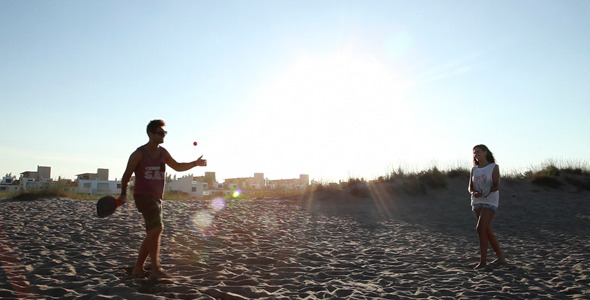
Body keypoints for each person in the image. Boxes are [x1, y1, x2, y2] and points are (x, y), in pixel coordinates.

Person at [117, 119, 207, 279]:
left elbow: (178, 167)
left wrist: (195, 163)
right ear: (151, 134)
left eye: (164, 132)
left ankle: (138, 268)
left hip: (157, 198)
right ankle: (156, 268)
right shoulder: (139, 154)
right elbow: (126, 175)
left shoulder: (163, 152)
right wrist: (123, 194)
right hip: (143, 196)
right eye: (160, 132)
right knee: (157, 229)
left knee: (153, 232)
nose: (163, 135)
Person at [468, 144, 506, 269]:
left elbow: (496, 185)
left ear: (485, 152)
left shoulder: (493, 167)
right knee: (487, 230)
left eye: (478, 151)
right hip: (477, 201)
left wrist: (485, 192)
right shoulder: (474, 169)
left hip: (490, 201)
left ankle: (483, 261)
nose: (476, 154)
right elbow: (470, 187)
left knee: (480, 228)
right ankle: (500, 257)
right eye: (474, 152)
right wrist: (474, 192)